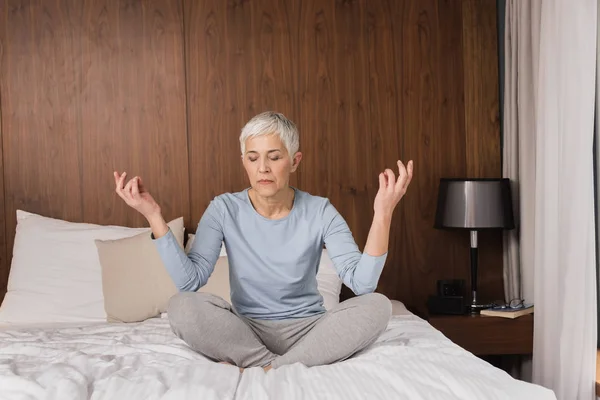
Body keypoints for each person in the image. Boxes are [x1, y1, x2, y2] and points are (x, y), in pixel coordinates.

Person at [113, 111, 413, 372]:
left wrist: (383, 212)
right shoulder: (223, 208)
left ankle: (267, 368)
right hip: (246, 330)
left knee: (378, 306)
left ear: (294, 161)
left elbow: (362, 285)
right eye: (253, 158)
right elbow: (189, 282)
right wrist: (153, 216)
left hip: (310, 328)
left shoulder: (320, 210)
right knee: (181, 306)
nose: (263, 168)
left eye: (274, 157)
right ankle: (287, 364)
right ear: (243, 161)